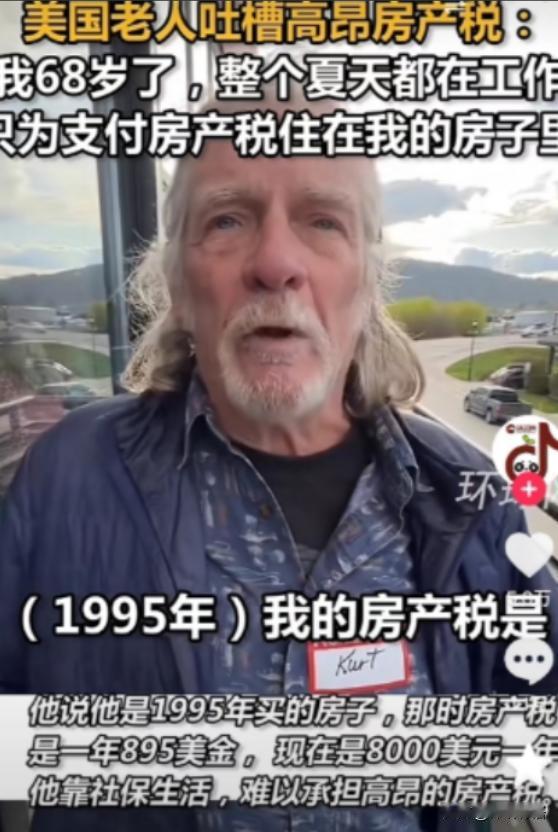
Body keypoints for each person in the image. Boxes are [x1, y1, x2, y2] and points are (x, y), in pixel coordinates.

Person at [0, 92, 557, 832]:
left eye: (323, 221)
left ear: (367, 282)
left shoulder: (469, 496)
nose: (275, 263)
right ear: (176, 284)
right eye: (227, 220)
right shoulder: (66, 477)